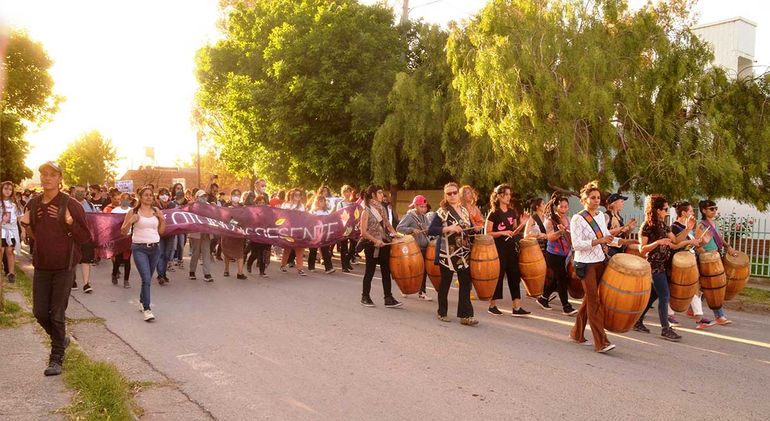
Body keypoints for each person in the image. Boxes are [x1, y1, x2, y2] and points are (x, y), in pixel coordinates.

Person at [18, 161, 91, 376]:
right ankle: (61, 339)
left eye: (52, 174)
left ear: (60, 178)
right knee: (40, 313)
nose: (47, 178)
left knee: (57, 314)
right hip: (42, 264)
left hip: (65, 266)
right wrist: (26, 225)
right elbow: (34, 236)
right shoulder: (33, 204)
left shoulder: (72, 204)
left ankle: (56, 358)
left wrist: (69, 221)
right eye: (43, 174)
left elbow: (85, 237)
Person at [570, 181, 632, 353]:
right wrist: (598, 241)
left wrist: (624, 241)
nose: (596, 200)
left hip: (599, 262)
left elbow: (607, 237)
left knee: (589, 301)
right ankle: (601, 342)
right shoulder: (578, 218)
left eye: (598, 198)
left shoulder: (599, 217)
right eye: (593, 198)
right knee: (594, 302)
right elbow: (576, 245)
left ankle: (576, 333)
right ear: (584, 199)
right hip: (585, 264)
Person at [632, 195, 699, 341]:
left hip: (664, 264)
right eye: (665, 209)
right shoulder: (647, 226)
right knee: (664, 295)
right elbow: (642, 249)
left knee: (654, 295)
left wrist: (688, 229)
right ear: (657, 210)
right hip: (654, 265)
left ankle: (637, 321)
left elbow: (675, 240)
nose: (667, 212)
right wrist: (658, 242)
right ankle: (665, 329)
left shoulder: (663, 224)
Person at [428, 182, 476, 325]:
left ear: (458, 194)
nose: (453, 195)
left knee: (465, 283)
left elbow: (470, 229)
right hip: (447, 254)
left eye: (455, 192)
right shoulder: (442, 212)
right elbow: (432, 230)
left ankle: (465, 315)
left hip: (463, 253)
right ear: (445, 195)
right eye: (449, 193)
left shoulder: (465, 211)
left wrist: (474, 229)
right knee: (446, 283)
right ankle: (442, 312)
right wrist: (449, 228)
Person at [121, 186, 165, 322]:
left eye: (151, 195)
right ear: (140, 197)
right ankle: (147, 309)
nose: (148, 197)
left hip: (155, 248)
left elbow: (162, 231)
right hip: (139, 248)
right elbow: (123, 231)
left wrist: (162, 219)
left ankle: (141, 300)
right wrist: (130, 221)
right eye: (146, 195)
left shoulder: (156, 211)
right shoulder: (133, 211)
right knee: (146, 278)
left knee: (148, 278)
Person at [486, 184, 530, 317]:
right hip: (498, 248)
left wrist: (523, 223)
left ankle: (517, 307)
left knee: (514, 275)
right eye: (506, 194)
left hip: (511, 247)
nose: (508, 197)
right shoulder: (493, 213)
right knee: (498, 276)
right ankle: (492, 305)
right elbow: (487, 233)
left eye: (510, 194)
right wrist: (502, 233)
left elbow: (515, 231)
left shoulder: (512, 212)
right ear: (499, 196)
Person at [670, 201, 715, 329]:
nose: (692, 213)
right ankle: (669, 314)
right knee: (674, 288)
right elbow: (675, 245)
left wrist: (701, 242)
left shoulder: (685, 227)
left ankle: (699, 318)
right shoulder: (675, 227)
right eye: (690, 211)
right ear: (684, 213)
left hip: (689, 261)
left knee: (694, 288)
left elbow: (690, 244)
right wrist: (692, 241)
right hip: (679, 262)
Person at [694, 200, 737, 326]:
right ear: (703, 210)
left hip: (714, 257)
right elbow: (697, 244)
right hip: (707, 260)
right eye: (711, 209)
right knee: (713, 286)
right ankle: (719, 316)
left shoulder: (713, 223)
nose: (714, 211)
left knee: (704, 286)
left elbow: (718, 236)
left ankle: (692, 310)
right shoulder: (701, 225)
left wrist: (728, 246)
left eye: (715, 208)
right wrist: (704, 256)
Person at [359, 185, 403, 308]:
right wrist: (375, 241)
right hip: (371, 245)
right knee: (370, 271)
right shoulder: (366, 211)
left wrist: (395, 234)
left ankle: (388, 298)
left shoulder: (382, 209)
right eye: (379, 193)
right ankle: (365, 296)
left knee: (386, 271)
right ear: (373, 195)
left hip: (384, 243)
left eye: (382, 193)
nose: (382, 195)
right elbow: (363, 232)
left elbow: (387, 224)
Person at [536, 194, 578, 315]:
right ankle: (566, 306)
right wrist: (560, 232)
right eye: (561, 207)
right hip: (553, 254)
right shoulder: (550, 221)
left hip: (565, 254)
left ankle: (543, 298)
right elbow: (549, 237)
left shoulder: (569, 219)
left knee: (556, 279)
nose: (563, 209)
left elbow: (571, 237)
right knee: (562, 279)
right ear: (556, 207)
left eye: (566, 207)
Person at [396, 194, 433, 301]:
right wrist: (412, 230)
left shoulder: (424, 217)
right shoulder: (409, 216)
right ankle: (404, 288)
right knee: (411, 270)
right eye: (421, 206)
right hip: (414, 248)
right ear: (415, 206)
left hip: (424, 247)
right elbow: (399, 228)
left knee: (424, 271)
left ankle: (422, 292)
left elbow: (429, 228)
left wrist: (428, 229)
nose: (424, 209)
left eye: (425, 206)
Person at [72, 185, 96, 294]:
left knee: (86, 260)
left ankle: (86, 284)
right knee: (73, 260)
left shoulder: (90, 205)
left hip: (86, 237)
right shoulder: (68, 204)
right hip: (71, 236)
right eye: (78, 191)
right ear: (73, 192)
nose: (80, 193)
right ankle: (72, 280)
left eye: (82, 191)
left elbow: (96, 220)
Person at [189, 190, 214, 282]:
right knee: (195, 253)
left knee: (206, 253)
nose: (204, 198)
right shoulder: (193, 206)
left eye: (205, 196)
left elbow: (215, 216)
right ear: (197, 197)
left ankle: (207, 274)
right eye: (201, 196)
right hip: (196, 233)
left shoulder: (209, 207)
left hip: (206, 233)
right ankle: (192, 271)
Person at [280, 188, 307, 275]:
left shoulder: (302, 206)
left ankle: (300, 268)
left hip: (298, 229)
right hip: (289, 229)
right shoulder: (286, 205)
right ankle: (283, 265)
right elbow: (282, 216)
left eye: (299, 195)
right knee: (287, 248)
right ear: (291, 195)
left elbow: (304, 217)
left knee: (300, 248)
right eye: (296, 194)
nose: (298, 196)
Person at [222, 189, 247, 279]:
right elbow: (224, 218)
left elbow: (245, 218)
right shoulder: (226, 205)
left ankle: (240, 273)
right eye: (234, 195)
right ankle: (226, 269)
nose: (236, 196)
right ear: (231, 195)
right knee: (227, 252)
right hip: (228, 232)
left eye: (238, 195)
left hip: (239, 233)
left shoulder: (242, 207)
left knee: (240, 252)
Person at [244, 192, 270, 277]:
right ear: (256, 203)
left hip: (265, 237)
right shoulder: (253, 212)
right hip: (255, 236)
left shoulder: (269, 212)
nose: (262, 204)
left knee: (263, 254)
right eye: (260, 202)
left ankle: (262, 272)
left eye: (263, 202)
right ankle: (249, 263)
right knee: (254, 254)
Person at [308, 195, 336, 274]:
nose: (322, 203)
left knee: (325, 250)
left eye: (323, 201)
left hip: (324, 233)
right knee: (313, 250)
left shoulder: (326, 212)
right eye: (320, 201)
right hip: (315, 233)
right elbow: (309, 221)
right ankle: (311, 266)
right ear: (317, 202)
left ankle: (329, 268)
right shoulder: (313, 211)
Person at [1, 181, 22, 284]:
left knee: (10, 251)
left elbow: (20, 218)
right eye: (5, 188)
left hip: (11, 231)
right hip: (1, 231)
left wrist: (22, 231)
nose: (7, 191)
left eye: (10, 189)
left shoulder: (15, 204)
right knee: (1, 250)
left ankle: (11, 273)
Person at [155, 188, 177, 285]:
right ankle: (160, 275)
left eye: (166, 194)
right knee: (160, 254)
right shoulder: (155, 206)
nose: (164, 196)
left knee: (167, 255)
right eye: (162, 194)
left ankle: (163, 273)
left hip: (170, 234)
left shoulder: (172, 205)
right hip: (158, 234)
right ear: (158, 195)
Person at [604, 193, 637, 257]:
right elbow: (604, 233)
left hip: (620, 247)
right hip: (611, 248)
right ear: (614, 203)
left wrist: (630, 228)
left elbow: (623, 235)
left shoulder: (619, 217)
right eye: (621, 201)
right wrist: (621, 228)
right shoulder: (606, 216)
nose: (623, 204)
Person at [110, 193, 132, 288]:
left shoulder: (132, 211)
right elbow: (111, 223)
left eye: (127, 199)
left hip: (128, 237)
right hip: (118, 237)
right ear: (120, 199)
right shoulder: (115, 210)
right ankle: (114, 274)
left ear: (130, 200)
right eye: (123, 198)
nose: (125, 200)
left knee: (127, 259)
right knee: (118, 259)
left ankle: (126, 280)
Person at [335, 185, 357, 273]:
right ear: (343, 193)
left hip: (352, 227)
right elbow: (337, 215)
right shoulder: (340, 204)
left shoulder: (353, 204)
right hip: (343, 227)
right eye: (345, 192)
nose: (347, 193)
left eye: (349, 191)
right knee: (343, 246)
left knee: (354, 244)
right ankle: (344, 265)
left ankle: (347, 260)